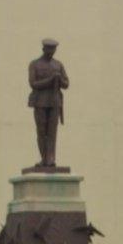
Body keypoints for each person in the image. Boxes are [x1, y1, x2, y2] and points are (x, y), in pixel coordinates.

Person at [28, 38, 69, 167]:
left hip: (55, 102)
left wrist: (59, 79)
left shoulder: (58, 65)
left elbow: (66, 84)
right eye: (49, 49)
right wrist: (51, 80)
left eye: (54, 49)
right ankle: (44, 158)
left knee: (52, 132)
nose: (52, 52)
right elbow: (33, 83)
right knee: (41, 132)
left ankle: (50, 159)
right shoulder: (34, 64)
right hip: (40, 102)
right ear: (44, 49)